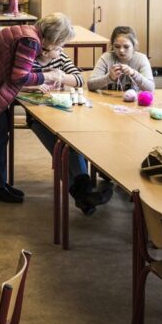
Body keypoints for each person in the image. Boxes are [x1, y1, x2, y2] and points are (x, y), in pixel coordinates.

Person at [0, 12, 75, 204]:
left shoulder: (29, 33)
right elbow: (19, 77)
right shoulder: (31, 41)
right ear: (54, 38)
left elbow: (21, 70)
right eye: (61, 44)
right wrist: (49, 76)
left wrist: (40, 76)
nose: (60, 49)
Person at [26, 44, 112, 215]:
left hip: (62, 112)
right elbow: (17, 82)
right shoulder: (29, 60)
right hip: (38, 117)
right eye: (57, 48)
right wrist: (36, 83)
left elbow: (79, 80)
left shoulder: (60, 57)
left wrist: (60, 76)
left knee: (72, 145)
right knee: (61, 150)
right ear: (45, 50)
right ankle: (85, 195)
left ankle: (83, 196)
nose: (61, 51)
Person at [87, 26, 154, 92]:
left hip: (133, 102)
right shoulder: (106, 58)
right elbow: (90, 85)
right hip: (108, 101)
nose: (121, 50)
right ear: (112, 45)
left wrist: (134, 74)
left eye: (126, 47)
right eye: (117, 46)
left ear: (134, 46)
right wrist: (109, 77)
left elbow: (150, 88)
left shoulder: (141, 59)